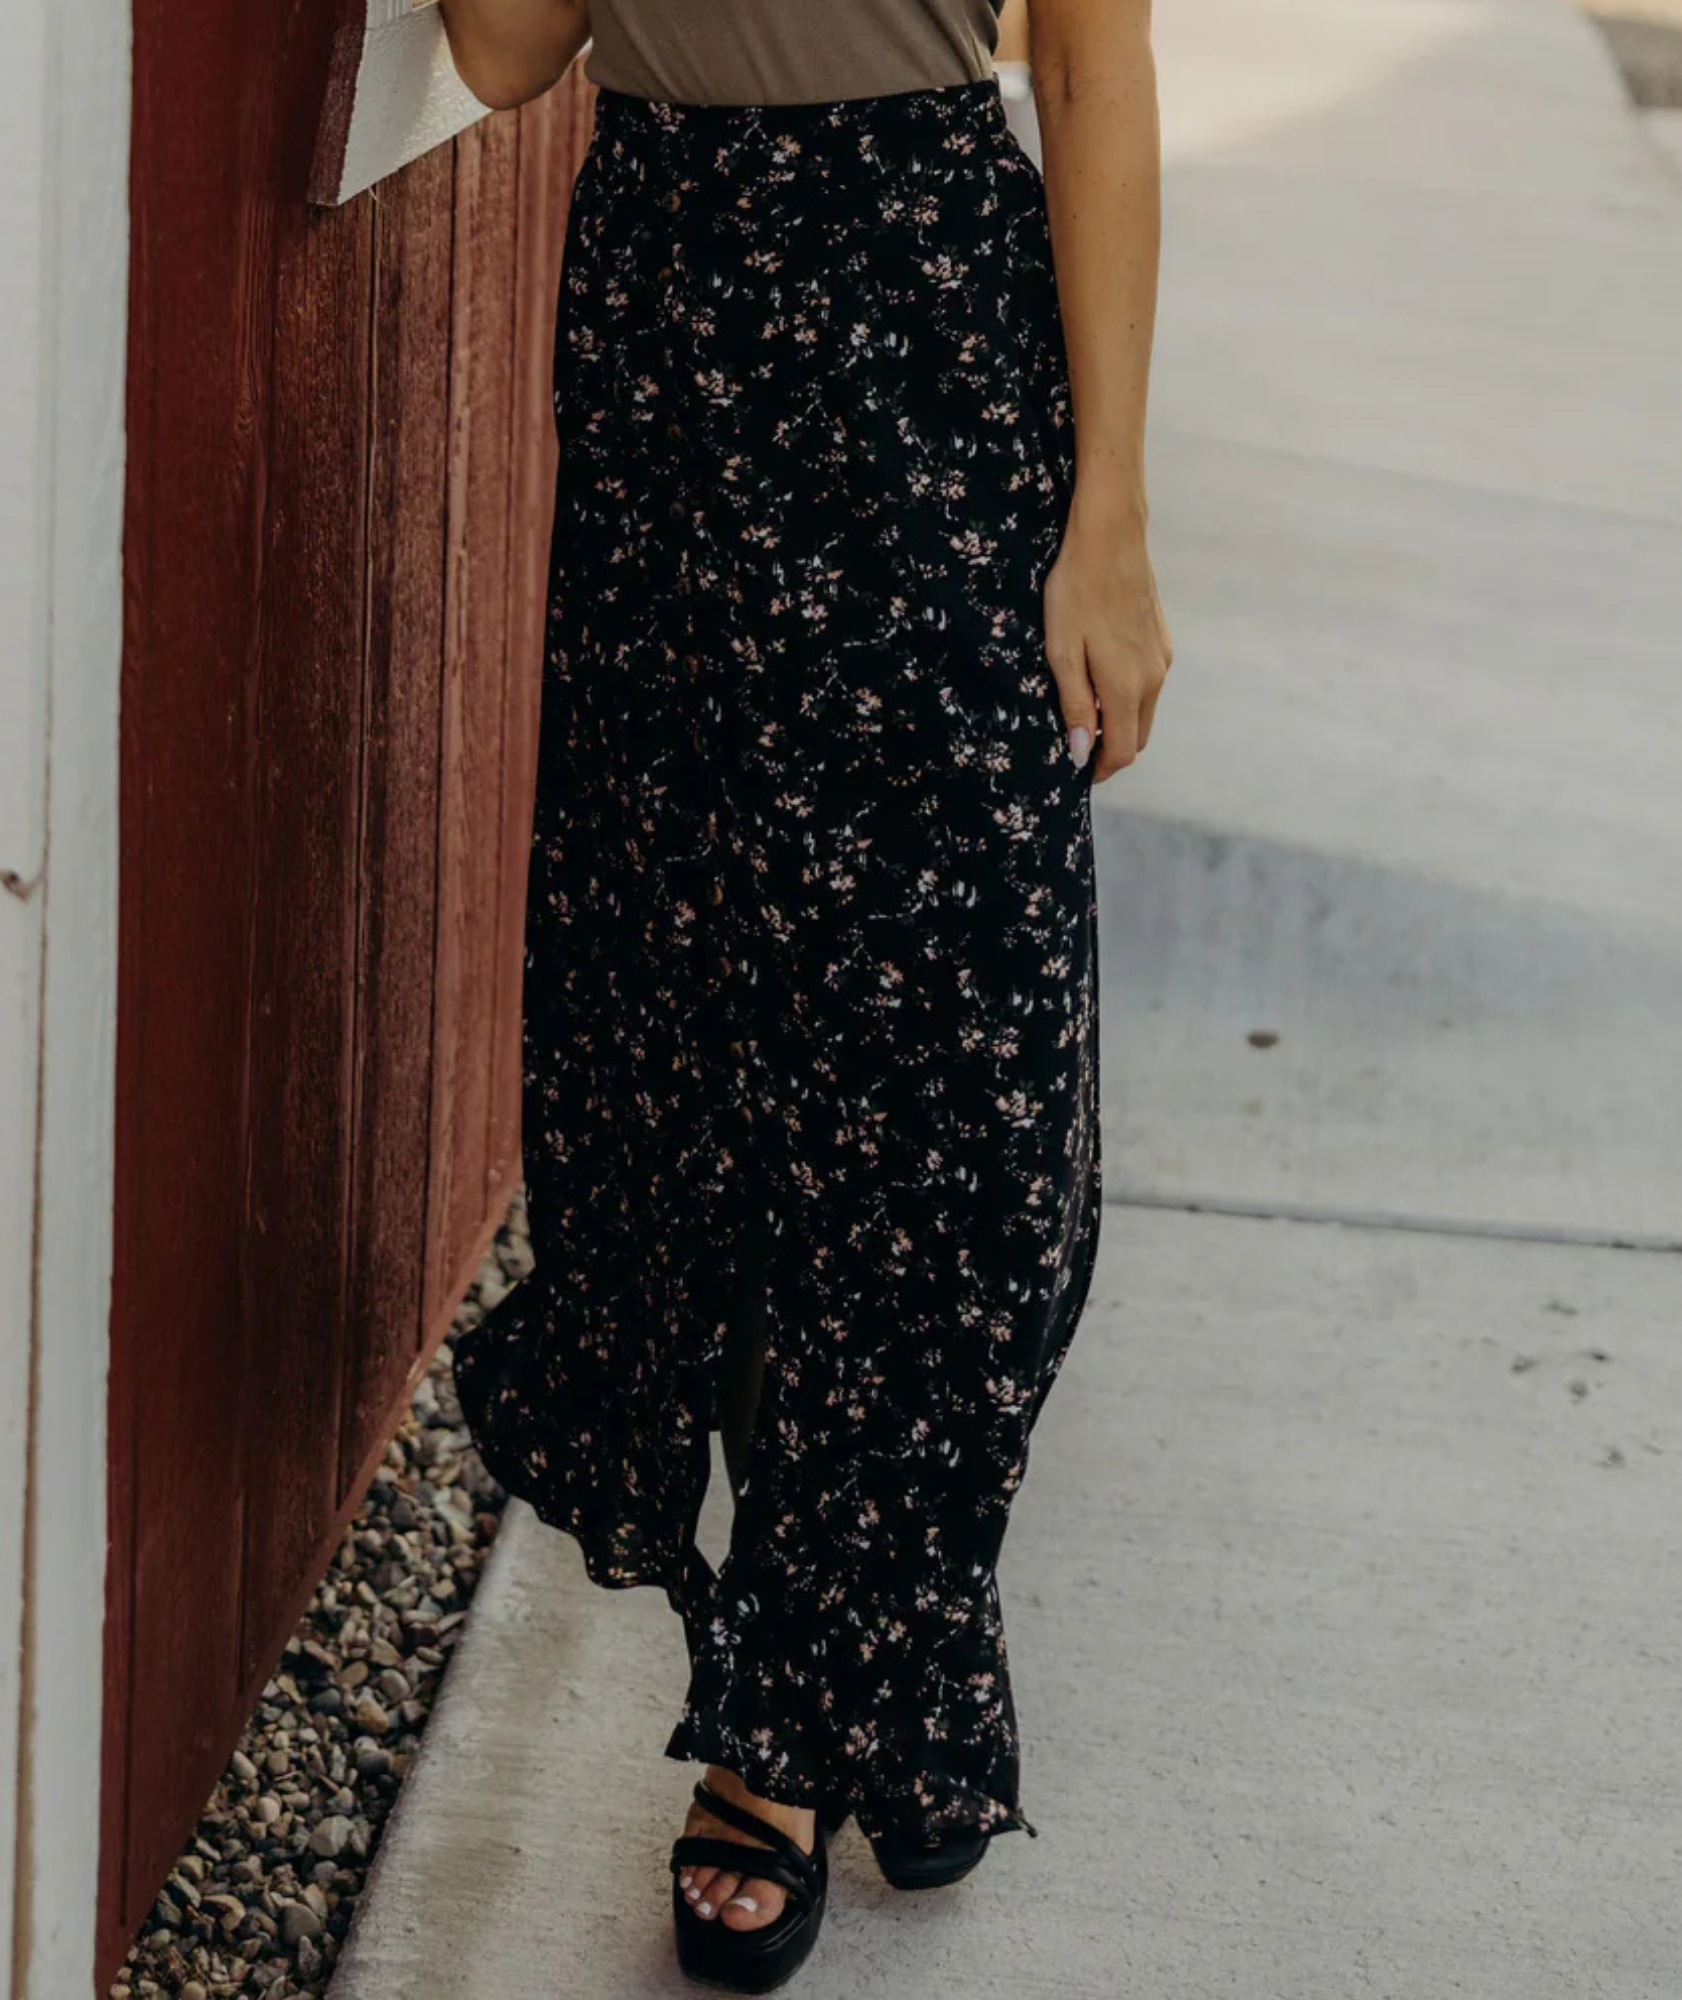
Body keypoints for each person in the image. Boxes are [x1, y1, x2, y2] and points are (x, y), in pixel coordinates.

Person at [440, 0, 1170, 1986]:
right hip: (675, 321)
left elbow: (1100, 80)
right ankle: (784, 1727)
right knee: (713, 1042)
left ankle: (898, 1624)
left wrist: (1104, 516)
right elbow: (505, 56)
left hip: (933, 320)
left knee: (963, 1061)